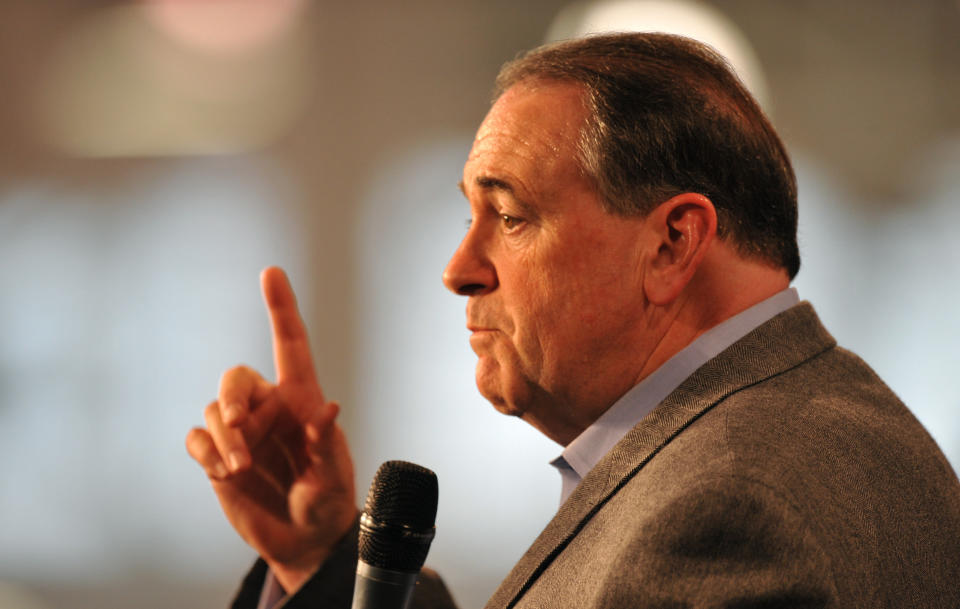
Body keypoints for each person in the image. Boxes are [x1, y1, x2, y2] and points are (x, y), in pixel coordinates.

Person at [186, 33, 960, 608]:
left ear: (672, 242)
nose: (458, 269)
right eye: (467, 215)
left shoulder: (725, 512)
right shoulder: (833, 428)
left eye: (509, 215)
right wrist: (326, 561)